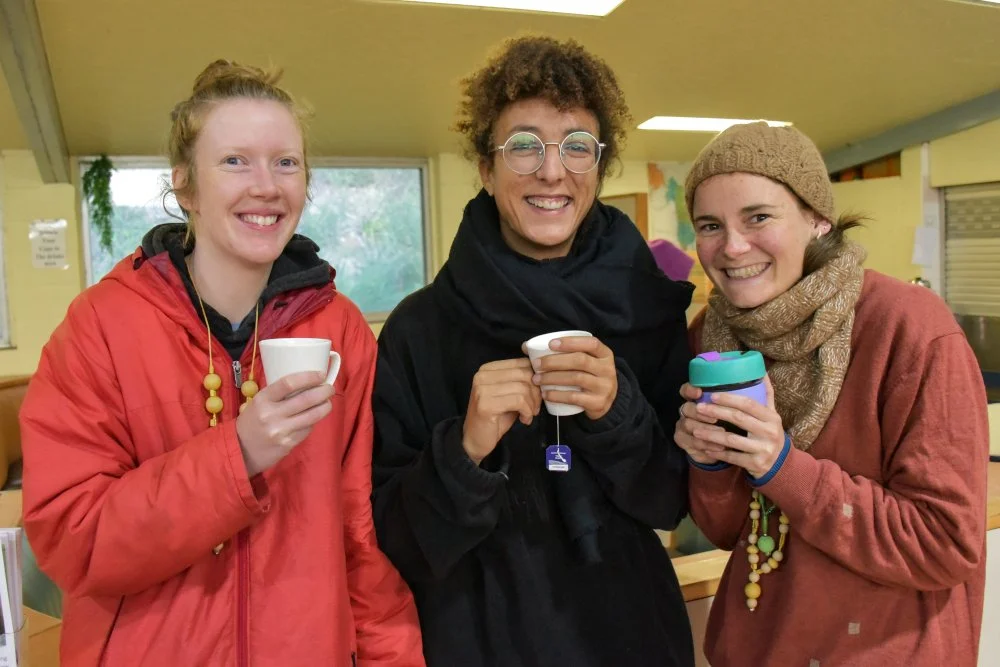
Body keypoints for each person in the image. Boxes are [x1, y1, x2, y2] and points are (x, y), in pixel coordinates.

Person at [19, 60, 424, 666]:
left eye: (286, 162)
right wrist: (238, 455)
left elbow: (360, 537)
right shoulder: (100, 326)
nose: (266, 186)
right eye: (235, 161)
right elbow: (72, 537)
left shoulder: (340, 330)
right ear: (185, 186)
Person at [371, 36, 695, 667]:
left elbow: (674, 502)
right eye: (524, 146)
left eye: (577, 146)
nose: (551, 171)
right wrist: (464, 451)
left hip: (629, 636)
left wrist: (619, 414)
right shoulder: (418, 330)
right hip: (478, 639)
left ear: (599, 167)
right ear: (486, 170)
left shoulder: (647, 309)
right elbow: (393, 539)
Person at [674, 121, 989, 666]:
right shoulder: (712, 337)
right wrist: (710, 464)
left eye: (758, 217)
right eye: (710, 225)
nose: (732, 247)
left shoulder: (908, 328)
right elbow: (728, 531)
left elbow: (944, 544)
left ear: (817, 219)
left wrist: (780, 466)